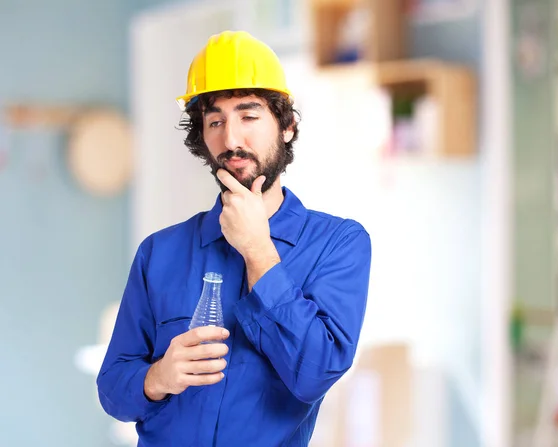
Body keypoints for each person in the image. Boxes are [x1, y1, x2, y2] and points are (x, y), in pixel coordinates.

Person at [97, 30, 372, 447]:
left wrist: (258, 250)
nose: (232, 139)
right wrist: (157, 377)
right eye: (216, 121)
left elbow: (315, 373)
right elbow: (113, 389)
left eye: (249, 115)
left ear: (287, 127)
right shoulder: (160, 252)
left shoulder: (338, 244)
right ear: (202, 138)